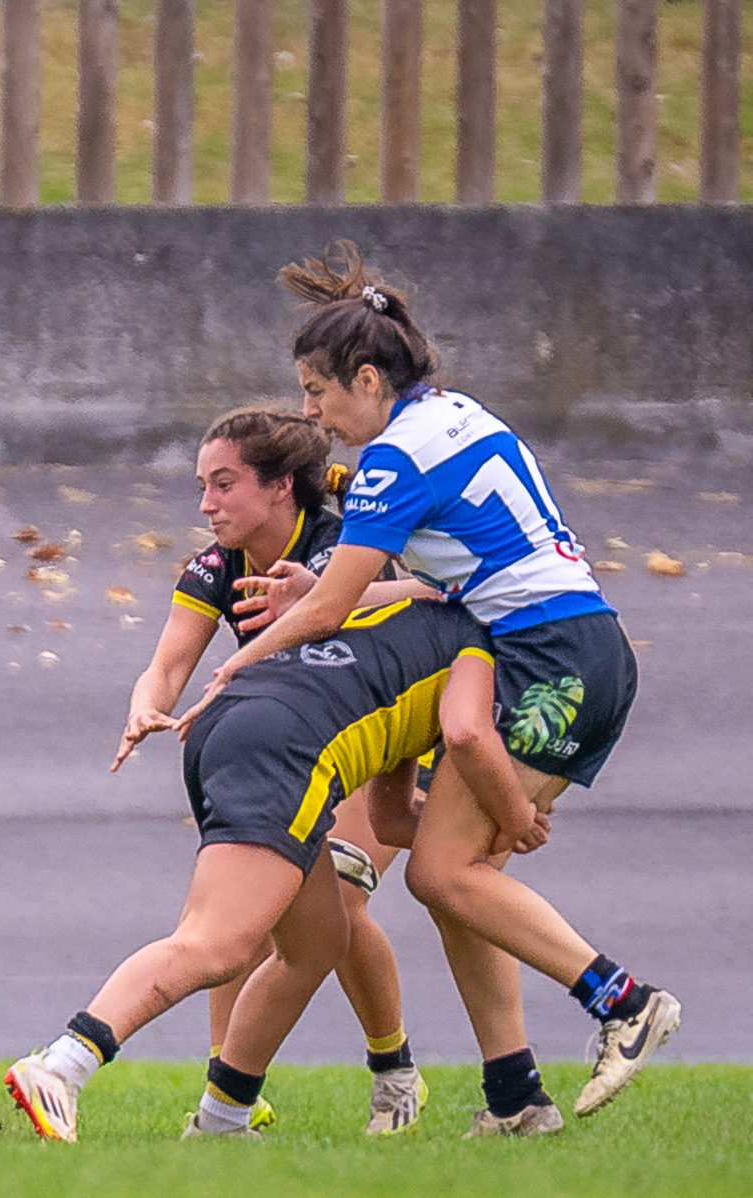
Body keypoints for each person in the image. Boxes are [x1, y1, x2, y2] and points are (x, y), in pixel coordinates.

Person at [179, 243, 679, 1135]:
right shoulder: (455, 414)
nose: (311, 412)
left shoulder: (392, 463)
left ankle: (623, 1000)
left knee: (446, 873)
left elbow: (331, 612)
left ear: (367, 378)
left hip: (548, 659)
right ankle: (517, 1098)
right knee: (457, 875)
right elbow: (446, 580)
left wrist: (240, 664)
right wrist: (323, 592)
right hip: (576, 642)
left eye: (318, 391)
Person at [8, 599, 498, 1142]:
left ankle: (224, 1117)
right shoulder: (475, 650)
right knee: (214, 944)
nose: (207, 507)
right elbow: (467, 737)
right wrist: (513, 818)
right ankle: (61, 1067)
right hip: (282, 750)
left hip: (232, 723)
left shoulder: (414, 623)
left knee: (319, 941)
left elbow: (388, 813)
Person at [112, 406, 433, 1135]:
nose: (206, 504)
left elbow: (377, 631)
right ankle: (234, 1097)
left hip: (386, 742)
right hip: (294, 747)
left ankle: (395, 1075)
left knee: (339, 905)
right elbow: (167, 665)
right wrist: (144, 708)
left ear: (282, 486)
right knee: (247, 924)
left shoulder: (340, 548)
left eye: (223, 485)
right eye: (202, 486)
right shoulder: (214, 567)